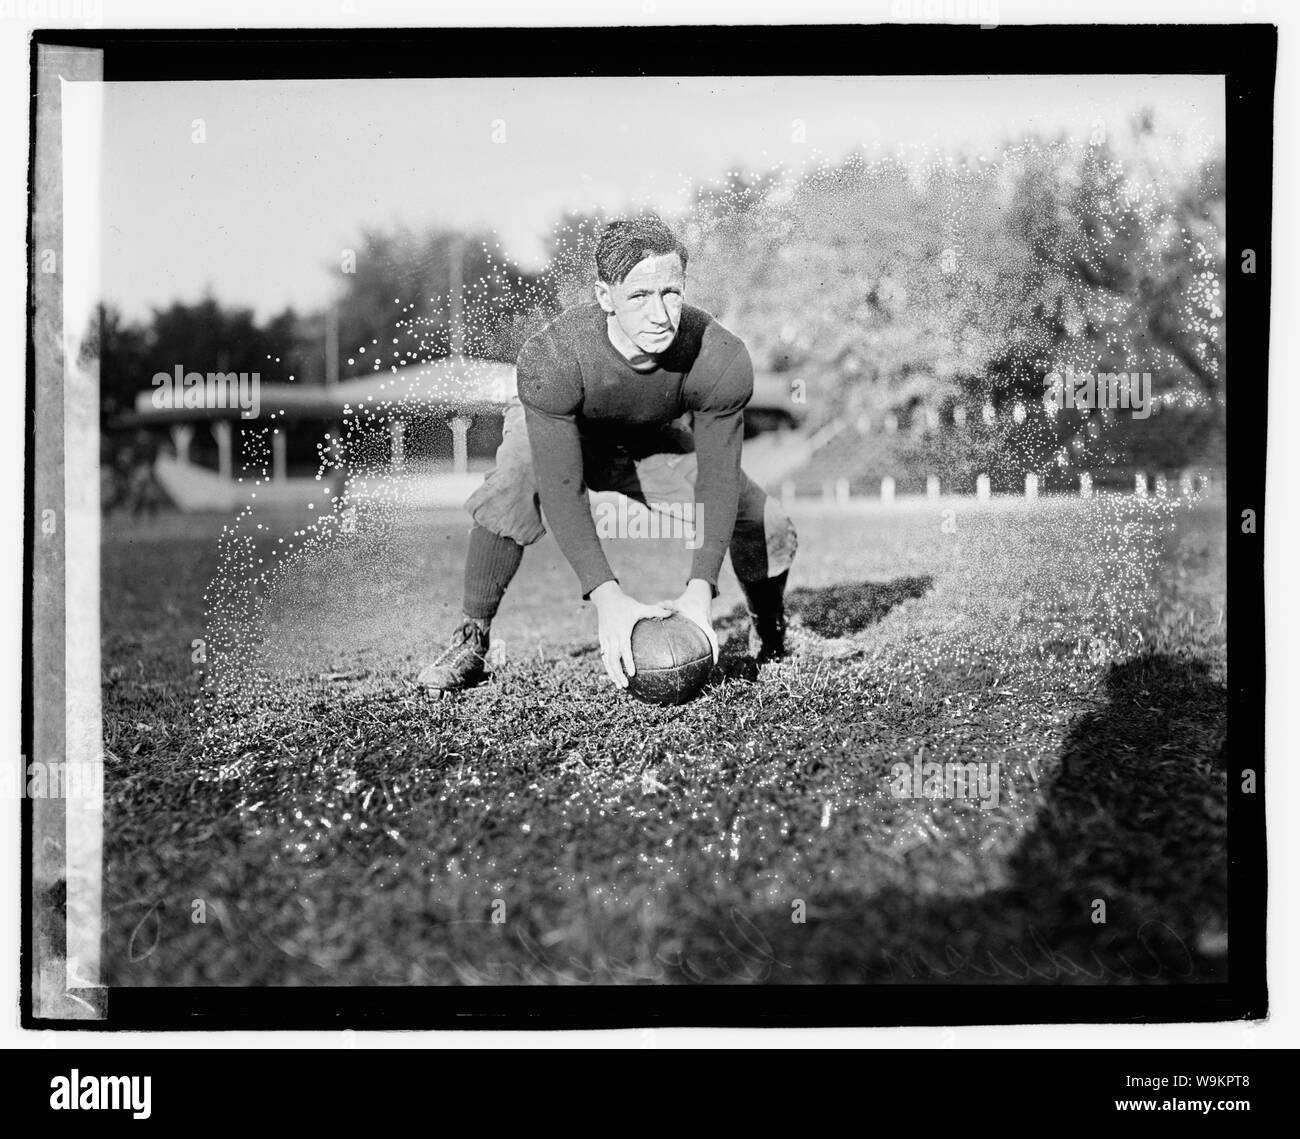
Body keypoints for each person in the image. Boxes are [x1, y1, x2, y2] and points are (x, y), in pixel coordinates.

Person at [419, 214, 797, 694]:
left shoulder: (719, 357)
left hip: (647, 441)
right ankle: (472, 640)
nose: (660, 314)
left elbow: (719, 480)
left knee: (766, 520)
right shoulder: (554, 358)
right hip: (566, 434)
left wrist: (701, 589)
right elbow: (561, 487)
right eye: (639, 296)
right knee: (517, 476)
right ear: (605, 297)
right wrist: (608, 598)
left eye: (671, 293)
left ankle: (772, 631)